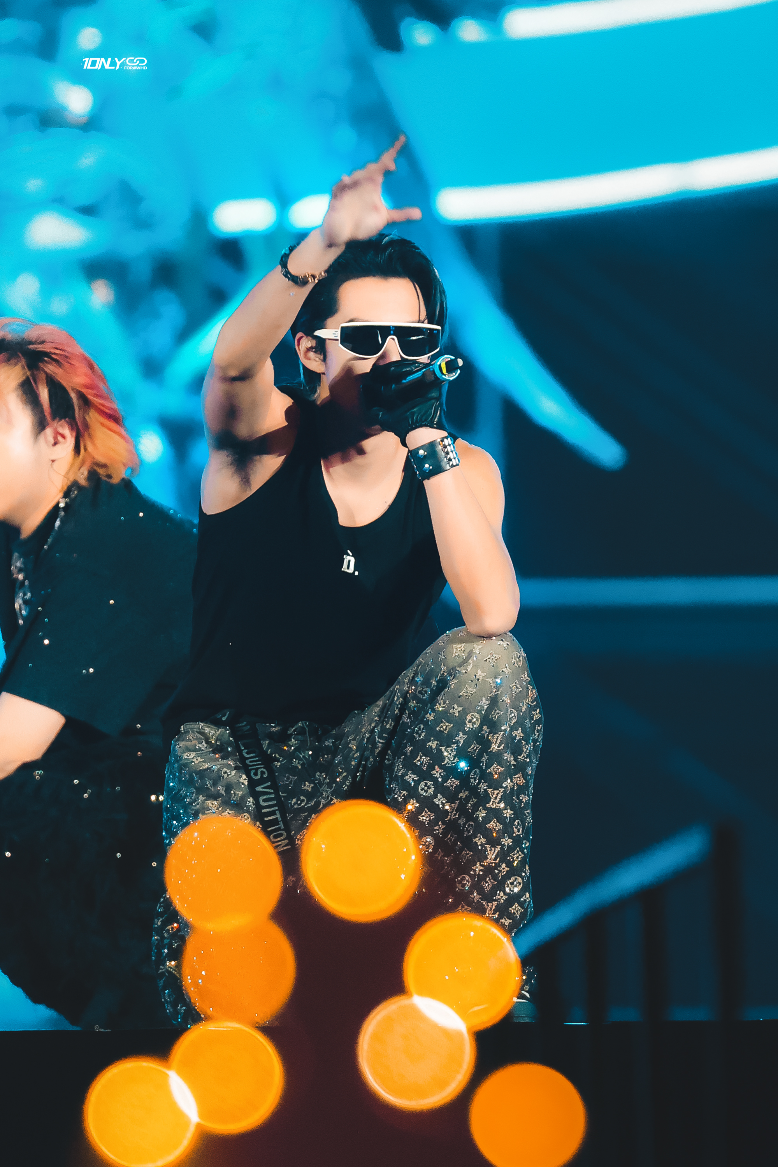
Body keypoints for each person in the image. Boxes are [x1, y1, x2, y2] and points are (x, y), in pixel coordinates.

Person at [157, 137, 543, 1027]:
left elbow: (492, 613)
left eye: (415, 342)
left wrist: (428, 442)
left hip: (378, 769)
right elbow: (232, 362)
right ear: (310, 349)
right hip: (239, 760)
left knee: (492, 664)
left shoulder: (458, 469)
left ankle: (475, 975)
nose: (390, 358)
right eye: (365, 340)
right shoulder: (260, 442)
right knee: (234, 1012)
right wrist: (326, 241)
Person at [0, 319, 197, 1029]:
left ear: (57, 439)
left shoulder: (112, 547)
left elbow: (10, 744)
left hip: (192, 845)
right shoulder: (29, 529)